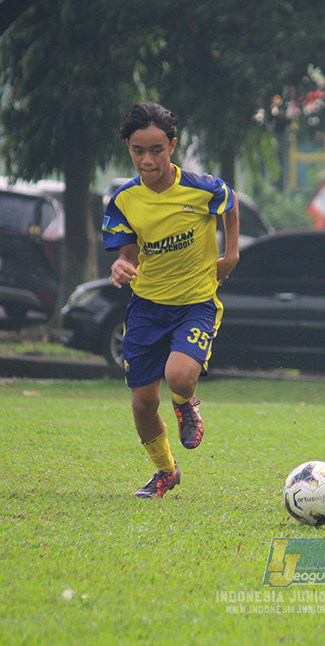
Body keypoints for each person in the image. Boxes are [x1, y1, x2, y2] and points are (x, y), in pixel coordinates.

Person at [103, 102, 240, 499]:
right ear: (129, 149)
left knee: (179, 375)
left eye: (157, 150)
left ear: (173, 146)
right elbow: (126, 255)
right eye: (138, 150)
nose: (148, 160)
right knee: (143, 403)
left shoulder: (201, 189)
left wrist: (230, 256)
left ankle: (185, 402)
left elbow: (230, 203)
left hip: (196, 302)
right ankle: (165, 472)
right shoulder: (124, 200)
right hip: (146, 307)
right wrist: (120, 267)